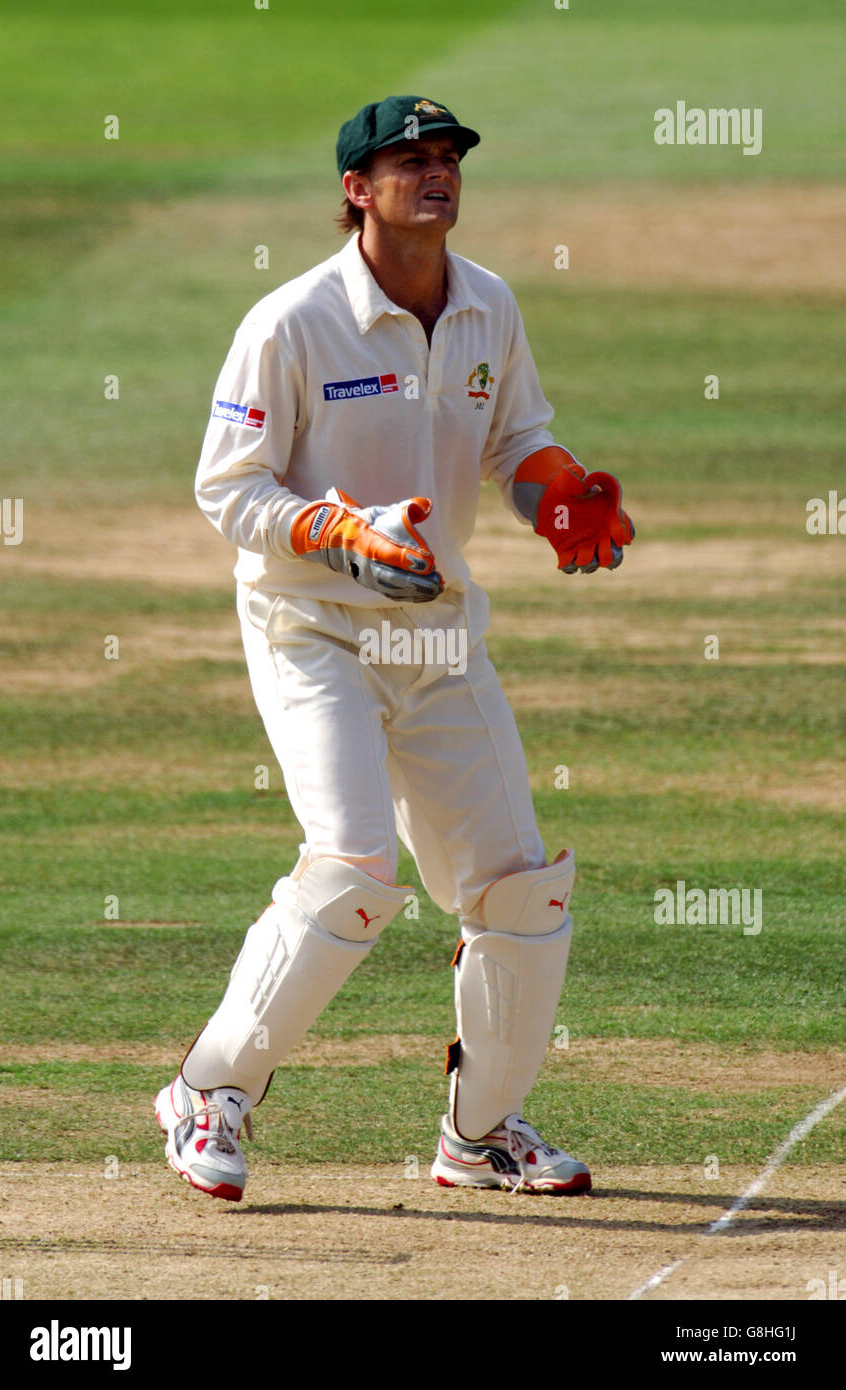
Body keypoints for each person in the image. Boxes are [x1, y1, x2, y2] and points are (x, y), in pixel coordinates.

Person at [155, 95, 633, 1202]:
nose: (435, 173)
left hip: (436, 638)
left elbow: (515, 435)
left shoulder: (487, 306)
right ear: (354, 191)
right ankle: (208, 1091)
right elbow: (227, 488)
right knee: (355, 871)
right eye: (407, 160)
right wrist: (335, 529)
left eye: (447, 157)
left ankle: (478, 1133)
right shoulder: (291, 320)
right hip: (311, 626)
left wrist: (555, 495)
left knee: (521, 893)